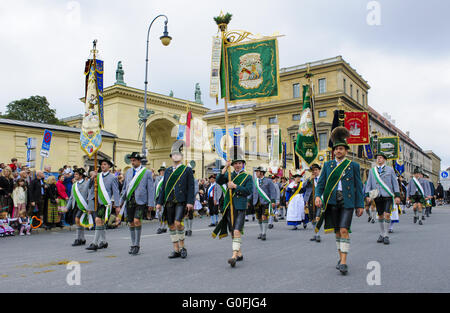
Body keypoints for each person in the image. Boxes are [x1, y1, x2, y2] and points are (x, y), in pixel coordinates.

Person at [314, 127, 364, 275]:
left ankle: (343, 261)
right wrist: (318, 196)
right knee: (337, 232)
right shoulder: (328, 165)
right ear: (333, 151)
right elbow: (321, 184)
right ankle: (340, 255)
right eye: (336, 149)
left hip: (347, 202)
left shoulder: (353, 165)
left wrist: (360, 205)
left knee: (344, 230)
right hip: (332, 201)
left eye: (341, 149)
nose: (338, 151)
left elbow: (358, 186)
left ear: (346, 150)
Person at [213, 146, 253, 268]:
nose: (237, 165)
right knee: (232, 231)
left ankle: (234, 256)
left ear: (243, 164)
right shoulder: (229, 175)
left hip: (240, 206)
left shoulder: (248, 177)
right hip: (229, 205)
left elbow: (248, 191)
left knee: (237, 230)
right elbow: (219, 180)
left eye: (240, 163)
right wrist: (225, 167)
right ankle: (239, 253)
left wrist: (235, 187)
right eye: (235, 164)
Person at [156, 141, 194, 259]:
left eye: (178, 154)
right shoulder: (167, 171)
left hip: (181, 201)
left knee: (178, 223)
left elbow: (191, 187)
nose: (176, 156)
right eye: (173, 154)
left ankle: (183, 247)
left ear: (181, 156)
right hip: (169, 201)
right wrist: (159, 202)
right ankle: (176, 249)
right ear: (171, 157)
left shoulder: (186, 170)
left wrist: (190, 202)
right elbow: (163, 187)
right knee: (171, 225)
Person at [120, 152, 154, 255]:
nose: (132, 162)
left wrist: (150, 203)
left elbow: (150, 189)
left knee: (137, 220)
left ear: (139, 161)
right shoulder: (129, 172)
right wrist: (121, 201)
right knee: (130, 222)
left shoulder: (146, 172)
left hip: (141, 201)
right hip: (130, 199)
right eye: (131, 160)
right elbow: (125, 187)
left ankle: (137, 244)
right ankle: (133, 243)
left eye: (134, 160)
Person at [364, 152, 401, 245]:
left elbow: (395, 183)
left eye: (380, 158)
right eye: (377, 158)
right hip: (377, 196)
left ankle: (386, 235)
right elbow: (368, 183)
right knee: (380, 215)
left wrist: (397, 195)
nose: (379, 159)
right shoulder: (372, 171)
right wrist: (367, 195)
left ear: (384, 159)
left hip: (388, 195)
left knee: (387, 214)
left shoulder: (390, 170)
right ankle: (381, 233)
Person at [86, 159, 120, 251]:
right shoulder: (97, 176)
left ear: (109, 166)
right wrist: (92, 177)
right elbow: (89, 187)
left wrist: (117, 205)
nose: (103, 166)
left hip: (105, 203)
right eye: (102, 164)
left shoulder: (113, 177)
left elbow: (116, 192)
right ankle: (104, 242)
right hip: (96, 202)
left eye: (105, 164)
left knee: (97, 220)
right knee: (100, 222)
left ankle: (94, 243)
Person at [251, 166, 278, 240]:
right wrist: (248, 200)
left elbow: (273, 191)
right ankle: (261, 231)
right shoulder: (255, 181)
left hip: (265, 202)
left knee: (264, 217)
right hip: (256, 202)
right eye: (256, 172)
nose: (256, 173)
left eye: (257, 172)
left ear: (261, 172)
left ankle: (264, 233)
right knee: (259, 218)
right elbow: (252, 191)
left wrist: (273, 201)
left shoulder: (268, 181)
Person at [66, 168, 90, 246]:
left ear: (81, 175)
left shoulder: (86, 183)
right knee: (79, 222)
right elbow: (71, 197)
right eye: (75, 174)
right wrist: (67, 207)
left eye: (76, 174)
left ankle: (78, 239)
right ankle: (82, 239)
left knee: (77, 220)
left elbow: (89, 196)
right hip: (75, 205)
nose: (74, 175)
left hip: (83, 205)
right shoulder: (74, 185)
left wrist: (90, 207)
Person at [300, 164, 322, 242]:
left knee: (317, 217)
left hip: (320, 200)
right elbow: (303, 186)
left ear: (319, 170)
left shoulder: (322, 179)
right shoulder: (309, 179)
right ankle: (315, 234)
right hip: (310, 200)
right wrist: (310, 179)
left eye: (316, 170)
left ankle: (318, 235)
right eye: (313, 170)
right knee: (312, 218)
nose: (314, 172)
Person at [184, 169, 198, 237]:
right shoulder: (184, 180)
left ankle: (190, 229)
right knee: (185, 214)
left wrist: (190, 196)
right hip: (184, 200)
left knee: (190, 214)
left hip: (191, 199)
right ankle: (186, 229)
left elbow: (196, 190)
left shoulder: (194, 180)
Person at [155, 165, 168, 234]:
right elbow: (155, 187)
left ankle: (163, 227)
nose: (162, 172)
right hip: (158, 197)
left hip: (165, 197)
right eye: (161, 171)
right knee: (159, 213)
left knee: (164, 213)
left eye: (163, 171)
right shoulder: (157, 178)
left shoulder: (167, 178)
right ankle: (160, 226)